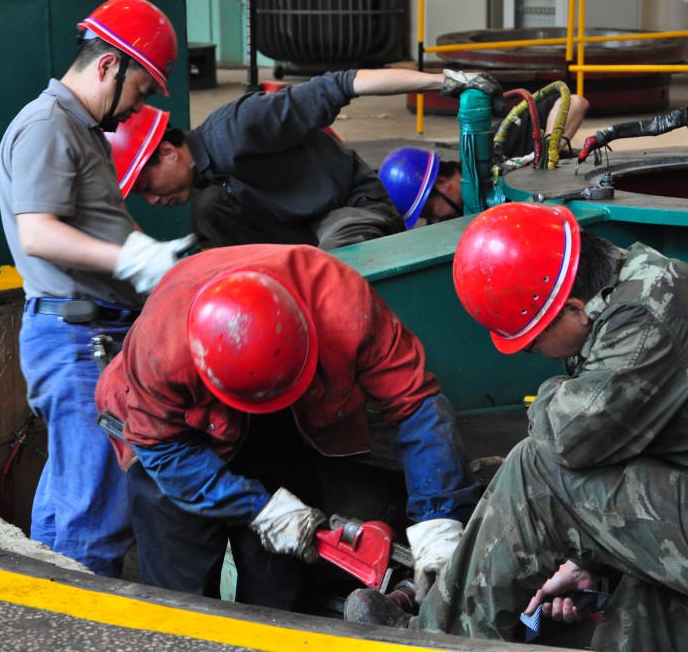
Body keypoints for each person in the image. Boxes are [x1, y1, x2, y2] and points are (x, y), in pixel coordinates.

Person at [345, 202, 688, 651]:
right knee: (632, 630)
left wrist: (552, 395)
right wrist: (590, 559)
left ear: (574, 309)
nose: (534, 355)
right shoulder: (634, 282)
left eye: (531, 343)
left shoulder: (645, 316)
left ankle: (435, 637)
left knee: (535, 468)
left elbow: (567, 439)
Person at [94, 244, 481, 611]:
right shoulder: (161, 347)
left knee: (282, 594)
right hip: (171, 438)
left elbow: (416, 405)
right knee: (181, 599)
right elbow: (163, 448)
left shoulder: (345, 306)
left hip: (278, 424)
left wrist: (439, 518)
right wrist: (259, 509)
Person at [0, 0, 194, 578]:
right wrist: (133, 258)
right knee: (97, 517)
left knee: (67, 503)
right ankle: (80, 621)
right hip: (80, 343)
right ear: (109, 65)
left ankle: (46, 610)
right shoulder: (46, 127)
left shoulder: (82, 132)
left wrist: (162, 268)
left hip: (92, 336)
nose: (138, 107)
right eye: (140, 89)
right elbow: (38, 232)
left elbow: (102, 221)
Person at [106, 68, 503, 250]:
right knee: (209, 210)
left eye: (147, 186)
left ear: (169, 152)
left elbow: (343, 83)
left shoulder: (238, 128)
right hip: (301, 232)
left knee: (339, 260)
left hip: (352, 208)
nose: (153, 200)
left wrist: (444, 80)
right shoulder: (211, 189)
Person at [378, 90, 589, 228]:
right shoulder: (448, 220)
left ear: (443, 184)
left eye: (428, 212)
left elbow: (575, 103)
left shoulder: (498, 147)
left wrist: (545, 154)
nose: (433, 221)